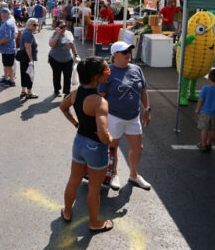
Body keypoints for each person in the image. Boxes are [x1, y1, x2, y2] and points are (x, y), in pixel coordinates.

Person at [59, 56, 114, 232]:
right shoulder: (100, 102)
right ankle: (95, 223)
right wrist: (110, 139)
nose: (109, 73)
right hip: (95, 147)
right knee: (94, 188)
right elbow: (104, 134)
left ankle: (67, 211)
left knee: (74, 180)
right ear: (96, 76)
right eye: (106, 71)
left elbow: (63, 107)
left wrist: (76, 123)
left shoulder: (75, 92)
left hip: (79, 141)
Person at [97, 41, 151, 190]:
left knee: (138, 148)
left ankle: (134, 175)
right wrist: (100, 119)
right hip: (114, 116)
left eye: (129, 52)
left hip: (133, 116)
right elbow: (101, 96)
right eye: (125, 52)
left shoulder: (137, 69)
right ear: (115, 55)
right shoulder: (107, 71)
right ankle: (114, 174)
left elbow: (143, 90)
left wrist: (147, 109)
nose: (129, 55)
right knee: (113, 147)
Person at [48, 20, 78, 97]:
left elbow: (72, 44)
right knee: (57, 75)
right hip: (55, 59)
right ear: (57, 27)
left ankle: (66, 92)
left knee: (68, 76)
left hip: (68, 59)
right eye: (62, 27)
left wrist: (76, 54)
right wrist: (58, 34)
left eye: (65, 26)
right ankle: (57, 90)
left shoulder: (69, 33)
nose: (64, 28)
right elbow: (51, 45)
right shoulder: (54, 34)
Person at [17, 18, 39, 99]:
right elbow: (28, 47)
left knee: (24, 74)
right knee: (30, 75)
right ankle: (29, 93)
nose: (36, 26)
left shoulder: (26, 32)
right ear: (29, 25)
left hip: (24, 57)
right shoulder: (28, 34)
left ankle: (23, 91)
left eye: (37, 24)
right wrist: (31, 60)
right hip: (27, 57)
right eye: (35, 25)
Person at [0, 8, 17, 87]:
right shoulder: (9, 21)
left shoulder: (7, 23)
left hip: (8, 48)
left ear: (5, 14)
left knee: (9, 65)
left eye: (2, 13)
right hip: (6, 48)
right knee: (6, 64)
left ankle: (11, 81)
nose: (1, 15)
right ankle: (6, 78)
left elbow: (8, 38)